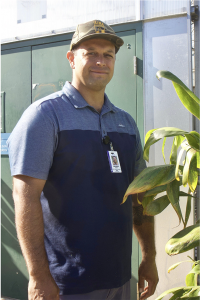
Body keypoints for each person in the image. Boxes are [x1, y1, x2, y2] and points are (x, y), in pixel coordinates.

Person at [7, 20, 158, 300]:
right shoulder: (44, 116)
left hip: (121, 278)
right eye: (90, 53)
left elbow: (141, 198)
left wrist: (149, 257)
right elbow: (25, 198)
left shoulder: (125, 122)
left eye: (108, 55)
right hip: (65, 285)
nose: (101, 61)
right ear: (71, 58)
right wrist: (39, 277)